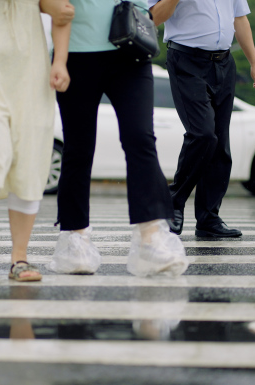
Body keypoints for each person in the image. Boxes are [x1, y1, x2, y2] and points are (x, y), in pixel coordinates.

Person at [48, 0, 189, 277]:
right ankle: (75, 238)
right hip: (77, 53)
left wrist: (148, 16)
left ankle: (150, 238)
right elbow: (57, 6)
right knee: (78, 147)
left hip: (132, 48)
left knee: (141, 139)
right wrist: (59, 60)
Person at [0, 0, 74, 281]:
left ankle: (19, 256)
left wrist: (60, 61)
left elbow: (62, 11)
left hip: (31, 71)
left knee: (29, 160)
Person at [150, 0, 255, 237]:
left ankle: (208, 218)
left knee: (220, 145)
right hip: (186, 61)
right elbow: (153, 17)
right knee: (203, 134)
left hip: (224, 64)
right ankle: (173, 201)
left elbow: (240, 18)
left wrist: (254, 64)